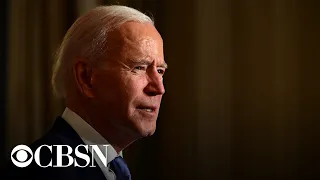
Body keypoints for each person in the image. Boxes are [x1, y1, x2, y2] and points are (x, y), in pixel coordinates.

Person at [3, 5, 167, 180]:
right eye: (139, 68)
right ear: (86, 77)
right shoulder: (43, 172)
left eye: (160, 71)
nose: (159, 88)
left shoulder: (109, 168)